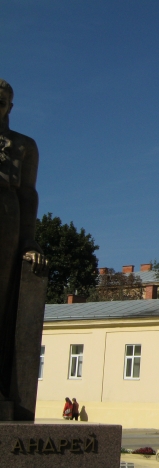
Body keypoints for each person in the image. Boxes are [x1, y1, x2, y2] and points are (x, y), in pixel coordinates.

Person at [0, 79, 47, 403]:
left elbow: (28, 194)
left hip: (7, 215)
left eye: (2, 100)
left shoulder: (23, 145)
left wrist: (29, 241)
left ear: (10, 107)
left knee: (2, 298)